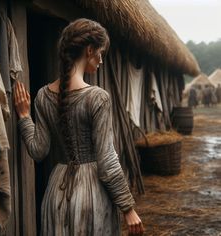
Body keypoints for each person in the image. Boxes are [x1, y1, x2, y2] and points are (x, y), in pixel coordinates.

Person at [14, 18, 145, 236]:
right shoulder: (98, 98)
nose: (101, 60)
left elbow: (38, 151)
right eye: (100, 53)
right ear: (89, 49)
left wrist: (25, 117)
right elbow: (107, 161)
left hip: (56, 196)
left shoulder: (43, 97)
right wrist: (128, 208)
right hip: (92, 198)